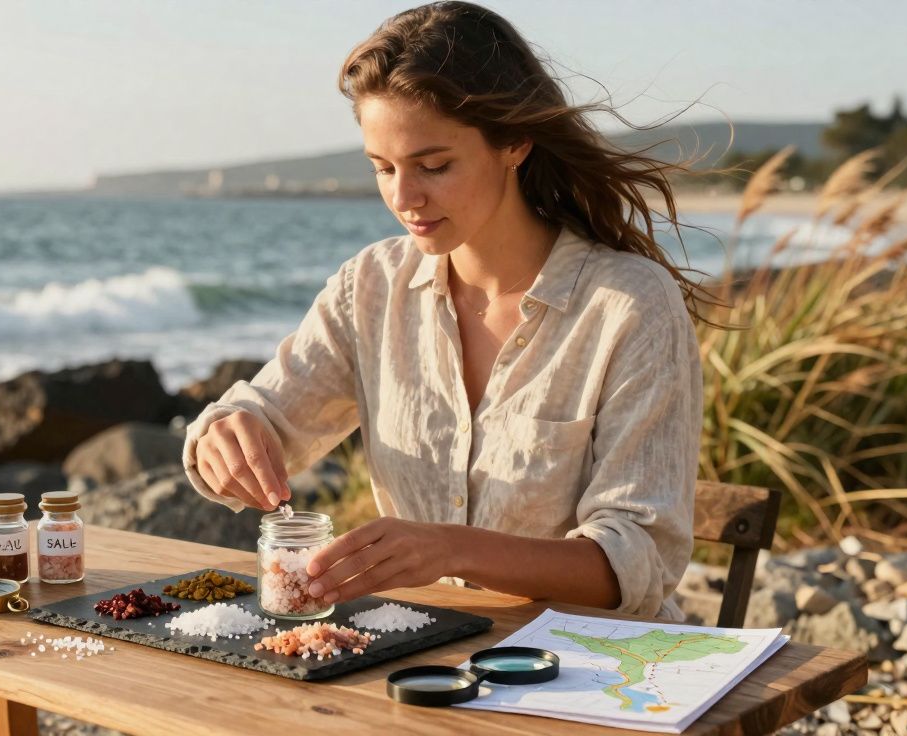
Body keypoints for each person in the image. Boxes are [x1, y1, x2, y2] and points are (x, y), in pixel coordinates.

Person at [181, 1, 710, 620]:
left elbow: (637, 561)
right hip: (430, 657)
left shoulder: (628, 305)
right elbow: (267, 415)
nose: (404, 198)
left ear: (514, 142)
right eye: (382, 168)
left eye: (433, 166)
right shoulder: (371, 286)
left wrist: (451, 550)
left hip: (595, 674)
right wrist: (226, 435)